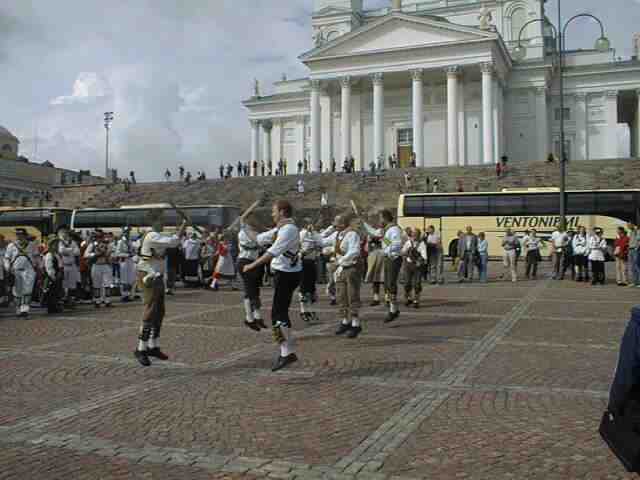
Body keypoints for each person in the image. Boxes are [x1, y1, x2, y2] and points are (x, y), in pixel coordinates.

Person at [243, 200, 302, 372]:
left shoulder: (289, 230)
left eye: (274, 211)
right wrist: (244, 227)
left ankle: (287, 352)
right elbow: (259, 239)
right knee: (279, 312)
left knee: (277, 314)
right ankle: (287, 350)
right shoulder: (280, 229)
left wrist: (252, 265)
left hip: (287, 275)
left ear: (283, 212)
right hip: (283, 274)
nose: (272, 214)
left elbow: (272, 252)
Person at [133, 210, 186, 367]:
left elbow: (172, 239)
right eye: (160, 220)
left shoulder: (157, 235)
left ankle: (153, 345)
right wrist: (183, 225)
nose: (163, 223)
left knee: (160, 312)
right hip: (148, 276)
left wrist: (181, 227)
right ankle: (140, 349)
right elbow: (174, 242)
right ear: (153, 222)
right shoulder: (152, 236)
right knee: (150, 311)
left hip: (156, 276)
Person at [321, 214, 363, 338]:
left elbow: (355, 251)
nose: (334, 223)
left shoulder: (352, 234)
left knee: (352, 295)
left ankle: (356, 324)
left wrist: (340, 261)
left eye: (336, 222)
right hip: (341, 269)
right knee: (341, 295)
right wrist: (310, 232)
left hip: (351, 268)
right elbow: (322, 241)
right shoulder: (336, 235)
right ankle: (345, 321)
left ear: (343, 223)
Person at [362, 209, 403, 323]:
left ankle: (393, 310)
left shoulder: (394, 229)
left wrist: (385, 251)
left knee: (390, 283)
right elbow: (375, 233)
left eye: (380, 218)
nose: (379, 221)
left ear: (385, 218)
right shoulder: (386, 230)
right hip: (388, 258)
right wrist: (363, 223)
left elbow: (397, 244)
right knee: (387, 284)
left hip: (393, 259)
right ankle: (393, 309)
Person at [236, 214, 267, 331]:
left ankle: (257, 317)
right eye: (253, 218)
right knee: (250, 291)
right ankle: (249, 319)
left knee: (255, 290)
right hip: (244, 262)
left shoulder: (254, 231)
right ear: (248, 220)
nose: (256, 220)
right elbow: (256, 239)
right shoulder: (244, 232)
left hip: (254, 262)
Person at [4, 228, 39, 317]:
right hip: (16, 271)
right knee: (17, 291)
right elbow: (7, 258)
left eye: (21, 234)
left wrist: (39, 266)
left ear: (25, 235)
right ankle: (18, 309)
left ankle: (25, 310)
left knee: (27, 290)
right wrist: (7, 267)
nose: (19, 236)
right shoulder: (11, 246)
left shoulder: (32, 245)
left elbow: (36, 257)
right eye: (17, 234)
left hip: (29, 270)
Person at [299, 220, 321, 323]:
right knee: (303, 288)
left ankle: (312, 310)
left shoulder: (314, 234)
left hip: (312, 262)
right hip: (303, 262)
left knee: (312, 288)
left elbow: (321, 241)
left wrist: (313, 232)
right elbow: (298, 244)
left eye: (311, 223)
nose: (311, 225)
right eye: (308, 223)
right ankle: (303, 311)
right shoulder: (302, 233)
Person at [84, 230, 113, 308]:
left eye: (100, 237)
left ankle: (107, 301)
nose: (99, 238)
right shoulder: (92, 245)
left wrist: (107, 254)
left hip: (106, 265)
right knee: (96, 284)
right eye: (97, 237)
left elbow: (110, 254)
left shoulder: (107, 245)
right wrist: (95, 254)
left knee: (107, 283)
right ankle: (97, 301)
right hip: (96, 265)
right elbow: (86, 254)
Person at [402, 228, 426, 308]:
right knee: (407, 283)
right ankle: (408, 298)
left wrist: (420, 261)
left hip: (417, 266)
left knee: (417, 284)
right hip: (408, 265)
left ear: (418, 235)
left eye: (416, 234)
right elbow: (402, 252)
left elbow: (424, 256)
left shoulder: (422, 244)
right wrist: (406, 252)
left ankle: (416, 300)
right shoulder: (408, 242)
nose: (414, 235)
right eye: (413, 233)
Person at [58, 225, 80, 306]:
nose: (64, 234)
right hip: (63, 266)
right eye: (63, 233)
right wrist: (71, 250)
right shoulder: (59, 242)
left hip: (72, 265)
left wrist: (67, 251)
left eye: (66, 233)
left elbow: (77, 252)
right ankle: (64, 299)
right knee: (64, 284)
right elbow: (61, 251)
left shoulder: (72, 242)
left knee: (72, 284)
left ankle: (70, 299)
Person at [42, 237, 64, 314]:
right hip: (52, 277)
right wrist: (53, 277)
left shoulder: (56, 254)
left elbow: (60, 265)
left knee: (56, 292)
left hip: (58, 275)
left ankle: (55, 306)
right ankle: (51, 308)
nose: (56, 246)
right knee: (51, 292)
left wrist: (60, 273)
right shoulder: (49, 255)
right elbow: (49, 268)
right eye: (55, 244)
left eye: (57, 244)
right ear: (51, 245)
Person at [114, 227, 137, 302]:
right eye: (126, 232)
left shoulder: (130, 241)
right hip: (123, 261)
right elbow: (117, 253)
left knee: (130, 279)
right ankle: (124, 295)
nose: (127, 233)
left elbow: (133, 250)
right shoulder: (121, 242)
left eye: (128, 232)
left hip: (130, 261)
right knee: (124, 279)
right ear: (123, 232)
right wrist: (127, 254)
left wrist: (133, 253)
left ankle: (129, 294)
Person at [365, 225, 385, 305]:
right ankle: (376, 298)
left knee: (384, 279)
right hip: (373, 258)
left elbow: (389, 244)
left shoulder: (386, 237)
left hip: (383, 257)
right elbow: (366, 249)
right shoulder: (371, 240)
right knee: (375, 279)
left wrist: (382, 239)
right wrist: (370, 241)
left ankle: (388, 298)